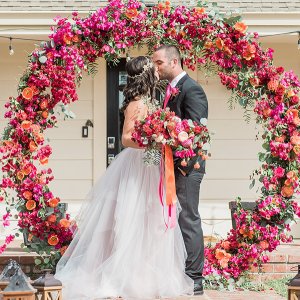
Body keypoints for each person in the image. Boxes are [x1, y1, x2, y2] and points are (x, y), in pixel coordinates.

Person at [54, 56, 194, 300]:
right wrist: (154, 140)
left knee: (151, 222)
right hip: (138, 165)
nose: (158, 73)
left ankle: (144, 276)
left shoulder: (150, 102)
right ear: (147, 75)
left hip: (152, 165)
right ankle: (123, 276)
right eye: (155, 69)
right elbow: (126, 139)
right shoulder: (137, 104)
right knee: (132, 220)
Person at [153, 45, 208, 296]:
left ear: (174, 62)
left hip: (187, 166)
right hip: (171, 164)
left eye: (159, 63)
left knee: (188, 218)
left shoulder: (192, 89)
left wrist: (167, 131)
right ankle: (178, 273)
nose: (156, 67)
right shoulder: (168, 89)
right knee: (175, 219)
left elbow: (196, 131)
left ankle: (195, 278)